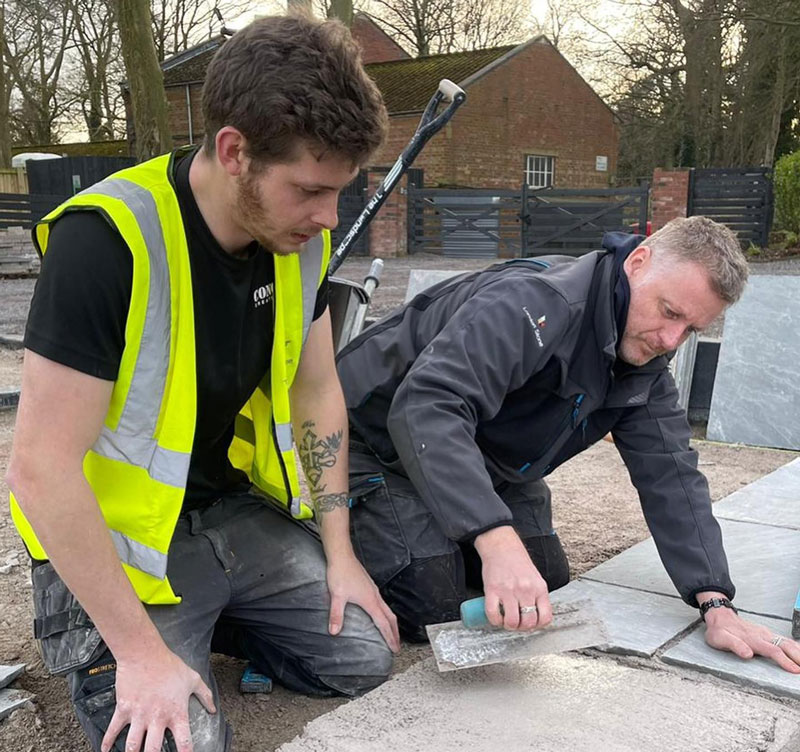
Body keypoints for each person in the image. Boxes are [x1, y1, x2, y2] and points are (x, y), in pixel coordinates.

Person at [6, 13, 400, 752]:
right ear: (234, 151)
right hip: (118, 544)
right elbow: (39, 469)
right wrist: (138, 653)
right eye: (311, 190)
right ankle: (142, 637)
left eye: (341, 191)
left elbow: (316, 393)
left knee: (364, 656)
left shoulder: (298, 246)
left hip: (226, 515)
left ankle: (209, 616)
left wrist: (341, 553)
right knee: (172, 738)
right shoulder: (107, 242)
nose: (329, 218)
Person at [336, 216, 800, 673]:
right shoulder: (536, 303)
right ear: (638, 262)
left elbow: (671, 472)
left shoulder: (643, 357)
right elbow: (428, 405)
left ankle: (442, 524)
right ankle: (332, 531)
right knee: (429, 597)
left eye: (690, 330)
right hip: (372, 442)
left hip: (479, 454)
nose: (670, 340)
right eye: (670, 312)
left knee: (547, 584)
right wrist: (494, 539)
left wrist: (715, 601)